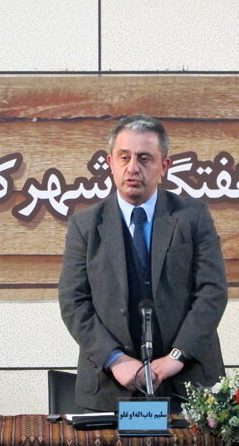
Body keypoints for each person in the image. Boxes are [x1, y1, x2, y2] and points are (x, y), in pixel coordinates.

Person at [59, 114, 228, 412]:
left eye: (145, 158)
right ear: (110, 163)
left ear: (164, 166)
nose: (133, 168)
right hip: (110, 386)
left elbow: (212, 293)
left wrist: (175, 358)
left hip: (186, 382)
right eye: (124, 157)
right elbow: (74, 302)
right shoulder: (85, 225)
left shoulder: (193, 216)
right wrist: (115, 359)